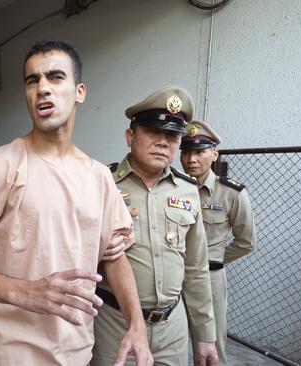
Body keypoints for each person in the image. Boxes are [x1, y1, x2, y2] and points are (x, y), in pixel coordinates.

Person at [0, 40, 152, 366]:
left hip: (78, 350)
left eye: (55, 77)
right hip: (13, 352)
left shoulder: (99, 177)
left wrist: (137, 324)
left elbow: (115, 257)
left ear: (79, 91)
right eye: (32, 80)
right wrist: (24, 291)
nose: (42, 89)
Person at [92, 86, 218, 366]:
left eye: (172, 136)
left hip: (172, 327)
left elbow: (196, 269)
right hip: (114, 322)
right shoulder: (102, 184)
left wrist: (205, 335)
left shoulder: (188, 190)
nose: (163, 142)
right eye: (152, 131)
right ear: (130, 136)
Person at [180, 120, 256, 365]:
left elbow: (246, 242)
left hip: (209, 278)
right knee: (171, 341)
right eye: (187, 152)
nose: (192, 159)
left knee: (211, 347)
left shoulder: (232, 193)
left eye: (200, 152)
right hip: (172, 276)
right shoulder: (175, 188)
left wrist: (209, 259)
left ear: (214, 154)